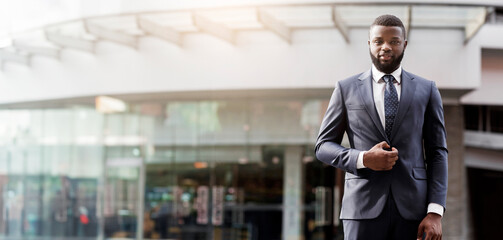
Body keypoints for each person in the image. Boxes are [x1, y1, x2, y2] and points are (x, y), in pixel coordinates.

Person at [315, 14, 448, 240]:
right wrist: (363, 158)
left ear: (404, 44)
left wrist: (435, 211)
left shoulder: (427, 89)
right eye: (378, 41)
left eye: (394, 41)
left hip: (413, 211)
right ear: (369, 44)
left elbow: (437, 153)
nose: (386, 47)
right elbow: (323, 147)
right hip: (361, 208)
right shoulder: (345, 88)